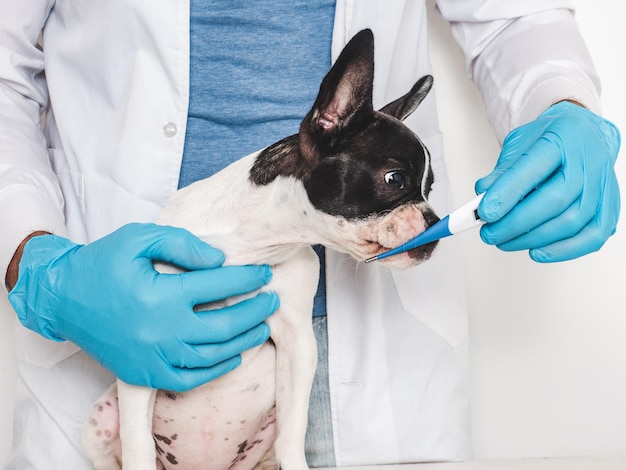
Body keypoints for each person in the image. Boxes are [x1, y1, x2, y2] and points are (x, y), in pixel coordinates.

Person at [0, 1, 620, 468]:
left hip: (359, 350)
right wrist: (37, 265)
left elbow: (515, 17)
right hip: (115, 316)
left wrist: (560, 104)